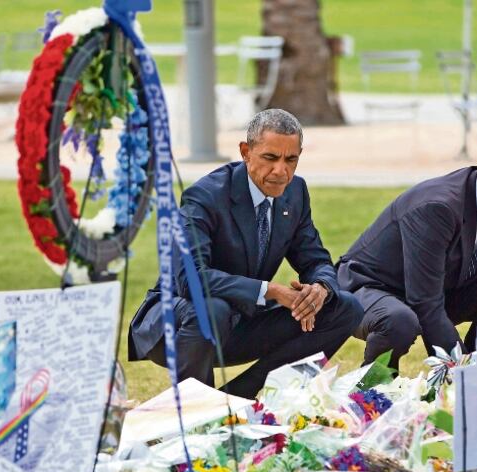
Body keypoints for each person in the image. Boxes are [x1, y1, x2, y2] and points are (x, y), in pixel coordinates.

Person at [128, 109, 363, 398]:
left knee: (345, 307)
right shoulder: (204, 196)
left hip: (239, 321)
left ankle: (238, 399)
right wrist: (271, 290)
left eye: (291, 160)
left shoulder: (295, 192)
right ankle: (196, 412)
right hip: (176, 326)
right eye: (270, 158)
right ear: (245, 151)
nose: (281, 171)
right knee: (213, 308)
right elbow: (191, 279)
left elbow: (314, 258)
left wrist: (321, 288)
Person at [337, 144, 477, 367]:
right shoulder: (437, 208)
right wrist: (461, 370)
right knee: (399, 322)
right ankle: (373, 391)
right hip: (371, 287)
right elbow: (425, 300)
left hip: (436, 287)